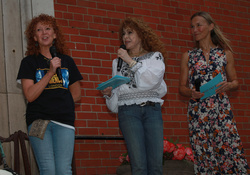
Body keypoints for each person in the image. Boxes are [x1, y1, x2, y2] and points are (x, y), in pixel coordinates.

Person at [179, 11, 250, 174]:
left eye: (199, 25)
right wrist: (191, 93)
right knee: (203, 153)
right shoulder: (188, 56)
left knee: (229, 149)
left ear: (211, 27)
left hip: (221, 110)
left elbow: (236, 82)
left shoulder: (225, 54)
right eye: (192, 26)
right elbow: (181, 88)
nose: (194, 29)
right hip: (198, 113)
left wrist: (228, 85)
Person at [17, 14, 83, 175]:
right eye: (39, 30)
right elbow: (30, 95)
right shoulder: (29, 62)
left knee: (63, 170)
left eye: (48, 28)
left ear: (54, 34)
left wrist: (61, 105)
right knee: (48, 170)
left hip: (64, 121)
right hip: (39, 121)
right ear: (34, 37)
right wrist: (50, 72)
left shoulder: (67, 61)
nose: (44, 32)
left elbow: (77, 93)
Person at [100, 17, 167, 175]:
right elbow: (117, 100)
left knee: (156, 165)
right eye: (123, 34)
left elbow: (150, 81)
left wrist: (130, 61)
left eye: (130, 33)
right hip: (128, 112)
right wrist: (109, 94)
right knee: (138, 166)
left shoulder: (154, 57)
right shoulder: (117, 62)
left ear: (141, 36)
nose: (125, 37)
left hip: (152, 111)